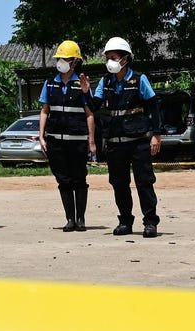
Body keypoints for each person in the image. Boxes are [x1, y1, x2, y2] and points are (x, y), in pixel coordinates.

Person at [87, 37, 163, 238]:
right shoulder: (105, 82)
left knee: (144, 182)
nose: (109, 61)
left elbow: (154, 107)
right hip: (115, 142)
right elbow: (94, 106)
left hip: (138, 141)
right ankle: (125, 221)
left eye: (113, 57)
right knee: (119, 184)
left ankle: (150, 222)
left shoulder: (139, 79)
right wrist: (86, 93)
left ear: (125, 59)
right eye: (107, 58)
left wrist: (156, 134)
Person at [38, 40, 96, 232]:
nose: (60, 62)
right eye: (59, 58)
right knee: (63, 180)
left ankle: (81, 219)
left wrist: (91, 141)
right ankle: (70, 219)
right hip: (55, 142)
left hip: (78, 141)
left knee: (79, 179)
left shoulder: (82, 84)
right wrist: (41, 136)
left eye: (65, 59)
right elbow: (44, 111)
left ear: (75, 61)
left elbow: (90, 114)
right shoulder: (50, 83)